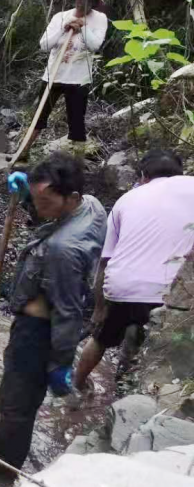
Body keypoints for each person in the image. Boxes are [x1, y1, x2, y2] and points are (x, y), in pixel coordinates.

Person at [0, 154, 106, 479]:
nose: (38, 209)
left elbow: (66, 312)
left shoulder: (63, 250)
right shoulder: (92, 205)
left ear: (72, 198)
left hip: (38, 330)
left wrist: (60, 363)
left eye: (45, 201)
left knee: (16, 408)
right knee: (18, 403)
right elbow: (48, 215)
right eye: (35, 199)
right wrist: (28, 196)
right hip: (48, 311)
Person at [74, 150, 194, 391]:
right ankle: (135, 391)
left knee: (100, 339)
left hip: (121, 287)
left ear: (143, 176)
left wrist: (98, 309)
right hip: (168, 293)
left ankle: (78, 386)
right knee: (153, 351)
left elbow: (105, 260)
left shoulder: (127, 199)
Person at [29, 0, 108, 156]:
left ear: (94, 2)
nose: (83, 1)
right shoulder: (61, 16)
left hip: (78, 79)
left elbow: (95, 46)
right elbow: (44, 45)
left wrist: (83, 28)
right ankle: (23, 151)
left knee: (76, 122)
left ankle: (77, 163)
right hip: (52, 76)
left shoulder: (100, 19)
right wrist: (63, 28)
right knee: (39, 117)